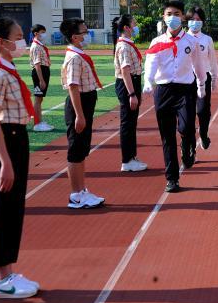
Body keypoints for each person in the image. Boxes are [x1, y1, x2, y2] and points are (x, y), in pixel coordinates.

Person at [0, 17, 39, 298]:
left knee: (14, 209)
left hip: (16, 138)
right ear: (1, 42)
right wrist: (5, 162)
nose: (22, 41)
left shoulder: (9, 70)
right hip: (4, 141)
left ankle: (8, 270)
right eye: (18, 36)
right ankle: (0, 279)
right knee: (3, 210)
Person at [143, 0, 208, 193]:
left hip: (185, 90)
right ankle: (172, 179)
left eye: (177, 14)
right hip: (163, 91)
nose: (173, 18)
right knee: (167, 137)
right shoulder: (157, 43)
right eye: (169, 14)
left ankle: (188, 147)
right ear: (163, 18)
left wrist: (202, 85)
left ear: (183, 17)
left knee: (187, 126)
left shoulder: (191, 41)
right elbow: (151, 65)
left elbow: (198, 65)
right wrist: (148, 82)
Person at [60, 18, 105, 208]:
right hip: (79, 105)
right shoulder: (73, 58)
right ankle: (75, 195)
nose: (87, 35)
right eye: (84, 32)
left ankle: (82, 190)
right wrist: (79, 114)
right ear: (75, 37)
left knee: (82, 150)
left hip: (85, 104)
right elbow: (73, 86)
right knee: (76, 151)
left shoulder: (79, 54)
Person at [113, 14, 147, 172]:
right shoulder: (124, 47)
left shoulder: (127, 44)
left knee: (132, 122)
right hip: (128, 84)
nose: (136, 26)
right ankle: (126, 160)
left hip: (132, 82)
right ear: (126, 27)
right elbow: (125, 71)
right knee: (127, 123)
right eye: (134, 23)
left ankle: (132, 156)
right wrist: (132, 94)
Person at [185, 5, 218, 150]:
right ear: (187, 21)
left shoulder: (207, 40)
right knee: (188, 114)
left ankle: (204, 134)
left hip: (204, 78)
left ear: (202, 21)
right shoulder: (183, 39)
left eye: (198, 19)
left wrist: (215, 77)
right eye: (192, 19)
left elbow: (212, 60)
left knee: (202, 110)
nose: (195, 21)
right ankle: (191, 147)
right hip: (186, 80)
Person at [29, 24, 53, 132]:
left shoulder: (40, 45)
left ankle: (40, 121)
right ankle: (37, 123)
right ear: (36, 33)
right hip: (40, 72)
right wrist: (41, 80)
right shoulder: (36, 47)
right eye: (42, 32)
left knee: (40, 98)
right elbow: (37, 64)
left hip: (44, 70)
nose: (44, 34)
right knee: (38, 98)